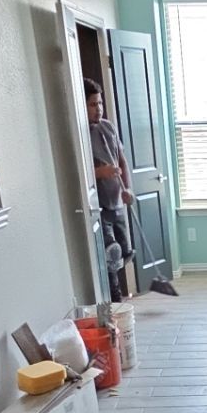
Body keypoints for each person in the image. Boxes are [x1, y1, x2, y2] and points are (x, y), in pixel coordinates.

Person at [85, 79, 133, 296]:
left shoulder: (108, 126)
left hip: (117, 202)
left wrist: (128, 189)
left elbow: (122, 160)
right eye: (93, 104)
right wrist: (99, 173)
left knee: (125, 251)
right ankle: (115, 299)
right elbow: (79, 172)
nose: (99, 109)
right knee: (109, 254)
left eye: (100, 103)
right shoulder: (82, 135)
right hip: (100, 207)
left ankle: (119, 293)